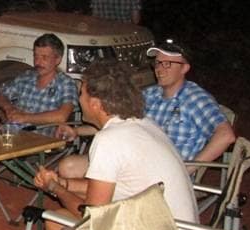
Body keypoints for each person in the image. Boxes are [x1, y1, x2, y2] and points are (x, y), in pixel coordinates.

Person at [34, 61, 201, 230]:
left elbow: (92, 215)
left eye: (82, 95)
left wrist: (54, 187)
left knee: (56, 222)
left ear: (95, 104)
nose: (79, 101)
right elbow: (108, 188)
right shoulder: (145, 124)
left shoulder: (108, 140)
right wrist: (65, 184)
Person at [58, 39, 235, 178]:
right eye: (157, 63)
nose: (160, 69)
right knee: (68, 167)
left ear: (185, 68)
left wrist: (186, 168)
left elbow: (226, 136)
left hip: (163, 172)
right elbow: (114, 123)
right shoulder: (149, 94)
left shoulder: (195, 99)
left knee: (90, 185)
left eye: (168, 64)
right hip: (132, 160)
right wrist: (77, 131)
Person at [0, 33, 78, 224]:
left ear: (57, 59)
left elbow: (61, 115)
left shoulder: (65, 83)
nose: (38, 62)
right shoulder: (27, 76)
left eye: (44, 57)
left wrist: (26, 117)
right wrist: (8, 107)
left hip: (40, 138)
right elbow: (1, 94)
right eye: (36, 56)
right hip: (10, 130)